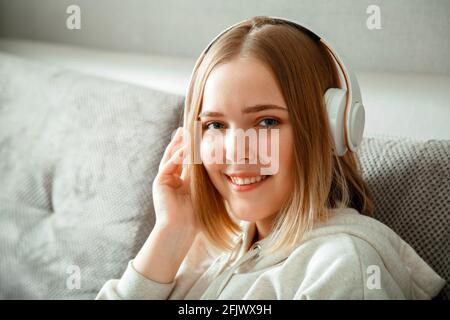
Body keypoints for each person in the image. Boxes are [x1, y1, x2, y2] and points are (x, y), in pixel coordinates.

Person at [96, 16, 445, 299]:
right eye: (216, 124)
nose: (236, 150)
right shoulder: (205, 247)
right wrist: (171, 233)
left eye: (266, 121)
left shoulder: (342, 267)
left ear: (330, 129)